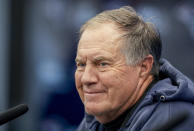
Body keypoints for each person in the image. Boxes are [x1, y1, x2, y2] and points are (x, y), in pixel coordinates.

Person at [74, 6, 194, 131]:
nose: (86, 78)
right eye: (81, 65)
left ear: (143, 67)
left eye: (102, 64)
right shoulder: (99, 117)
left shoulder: (175, 119)